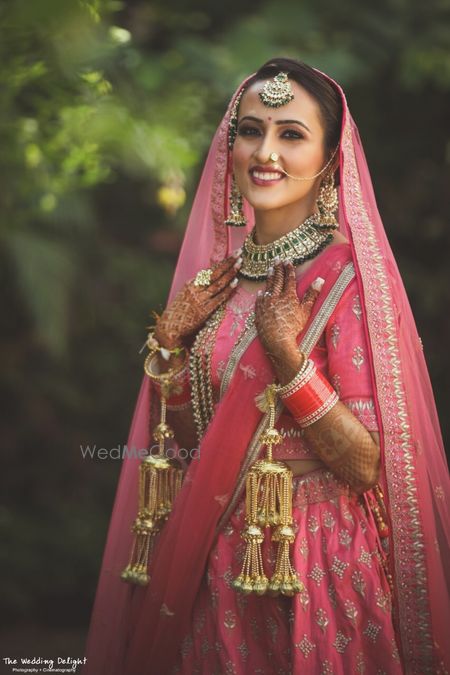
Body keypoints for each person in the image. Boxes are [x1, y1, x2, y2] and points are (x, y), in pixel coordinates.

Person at [83, 58, 450, 675]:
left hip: (309, 558)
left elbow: (365, 463)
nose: (265, 152)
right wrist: (171, 350)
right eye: (250, 130)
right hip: (213, 555)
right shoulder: (218, 283)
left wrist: (289, 361)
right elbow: (198, 446)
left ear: (331, 159)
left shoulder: (349, 282)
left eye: (292, 134)